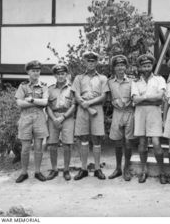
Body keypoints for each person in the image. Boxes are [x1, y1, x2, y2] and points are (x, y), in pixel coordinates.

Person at [72, 51, 109, 180]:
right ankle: (83, 169)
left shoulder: (102, 78)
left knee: (97, 138)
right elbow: (76, 94)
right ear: (85, 62)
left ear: (96, 62)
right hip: (82, 109)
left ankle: (98, 169)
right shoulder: (78, 78)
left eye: (93, 61)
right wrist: (84, 103)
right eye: (88, 61)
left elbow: (104, 96)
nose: (91, 63)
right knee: (83, 138)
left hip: (96, 109)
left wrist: (89, 103)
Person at [131, 54, 167, 184]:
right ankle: (144, 171)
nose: (147, 68)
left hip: (154, 114)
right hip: (140, 114)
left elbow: (160, 98)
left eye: (149, 65)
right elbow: (135, 99)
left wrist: (144, 98)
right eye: (144, 66)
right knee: (142, 143)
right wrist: (151, 98)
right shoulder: (135, 82)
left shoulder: (159, 79)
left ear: (152, 66)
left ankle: (162, 172)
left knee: (156, 143)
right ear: (140, 67)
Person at [15, 60, 49, 183]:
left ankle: (37, 172)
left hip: (39, 118)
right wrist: (34, 102)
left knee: (39, 147)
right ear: (28, 72)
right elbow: (19, 103)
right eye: (33, 70)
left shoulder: (44, 86)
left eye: (38, 70)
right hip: (26, 119)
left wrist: (31, 100)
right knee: (25, 148)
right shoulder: (23, 86)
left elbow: (45, 102)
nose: (36, 73)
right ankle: (24, 172)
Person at [46, 63, 75, 181]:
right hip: (53, 117)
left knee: (67, 144)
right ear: (55, 75)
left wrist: (63, 117)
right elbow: (47, 106)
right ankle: (54, 169)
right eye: (58, 74)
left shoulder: (72, 88)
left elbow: (74, 105)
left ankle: (66, 170)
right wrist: (54, 119)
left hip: (67, 116)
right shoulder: (50, 89)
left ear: (67, 75)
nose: (61, 76)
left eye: (63, 74)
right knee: (52, 144)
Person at [107, 55, 134, 181]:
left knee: (128, 141)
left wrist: (130, 103)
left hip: (129, 112)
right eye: (117, 66)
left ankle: (126, 168)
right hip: (117, 112)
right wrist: (114, 102)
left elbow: (135, 96)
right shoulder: (110, 82)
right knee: (117, 141)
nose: (120, 68)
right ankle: (118, 168)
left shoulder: (132, 81)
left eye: (122, 65)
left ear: (126, 67)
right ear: (114, 68)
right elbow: (108, 98)